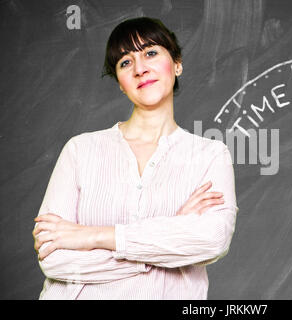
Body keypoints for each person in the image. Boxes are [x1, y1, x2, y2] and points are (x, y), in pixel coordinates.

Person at [32, 17, 238, 299]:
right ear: (120, 82)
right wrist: (168, 236)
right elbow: (53, 258)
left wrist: (93, 236)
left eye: (151, 53)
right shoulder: (80, 150)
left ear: (177, 64)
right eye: (125, 62)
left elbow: (212, 241)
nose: (140, 68)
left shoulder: (210, 155)